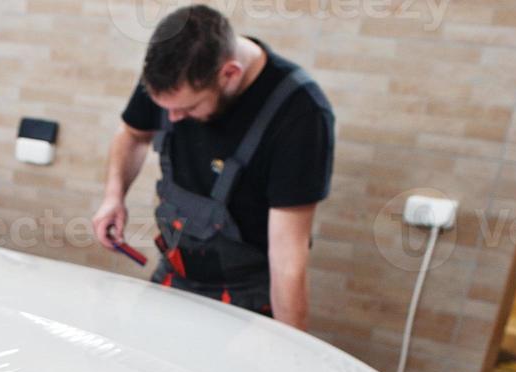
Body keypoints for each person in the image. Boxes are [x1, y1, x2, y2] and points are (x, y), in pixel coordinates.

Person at [92, 4, 335, 329]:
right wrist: (114, 195)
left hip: (246, 297)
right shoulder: (170, 75)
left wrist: (288, 353)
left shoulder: (300, 116)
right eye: (166, 108)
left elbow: (288, 260)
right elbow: (133, 135)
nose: (172, 119)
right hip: (175, 273)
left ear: (230, 74)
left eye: (187, 108)